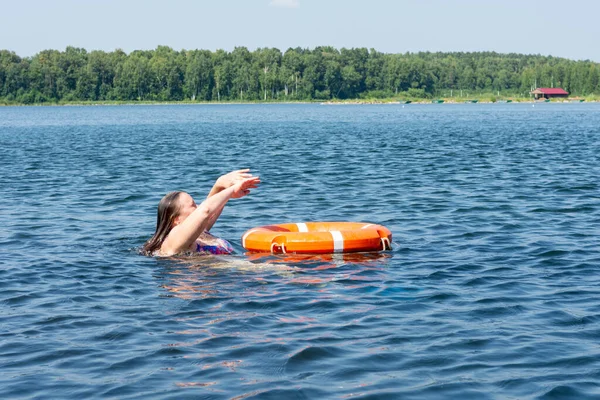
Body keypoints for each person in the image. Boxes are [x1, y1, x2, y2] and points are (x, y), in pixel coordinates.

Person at [143, 169, 260, 256]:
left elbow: (210, 212)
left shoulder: (199, 234)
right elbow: (205, 210)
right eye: (193, 205)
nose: (198, 206)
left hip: (227, 274)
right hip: (206, 281)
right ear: (176, 219)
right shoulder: (174, 238)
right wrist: (232, 190)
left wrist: (220, 184)